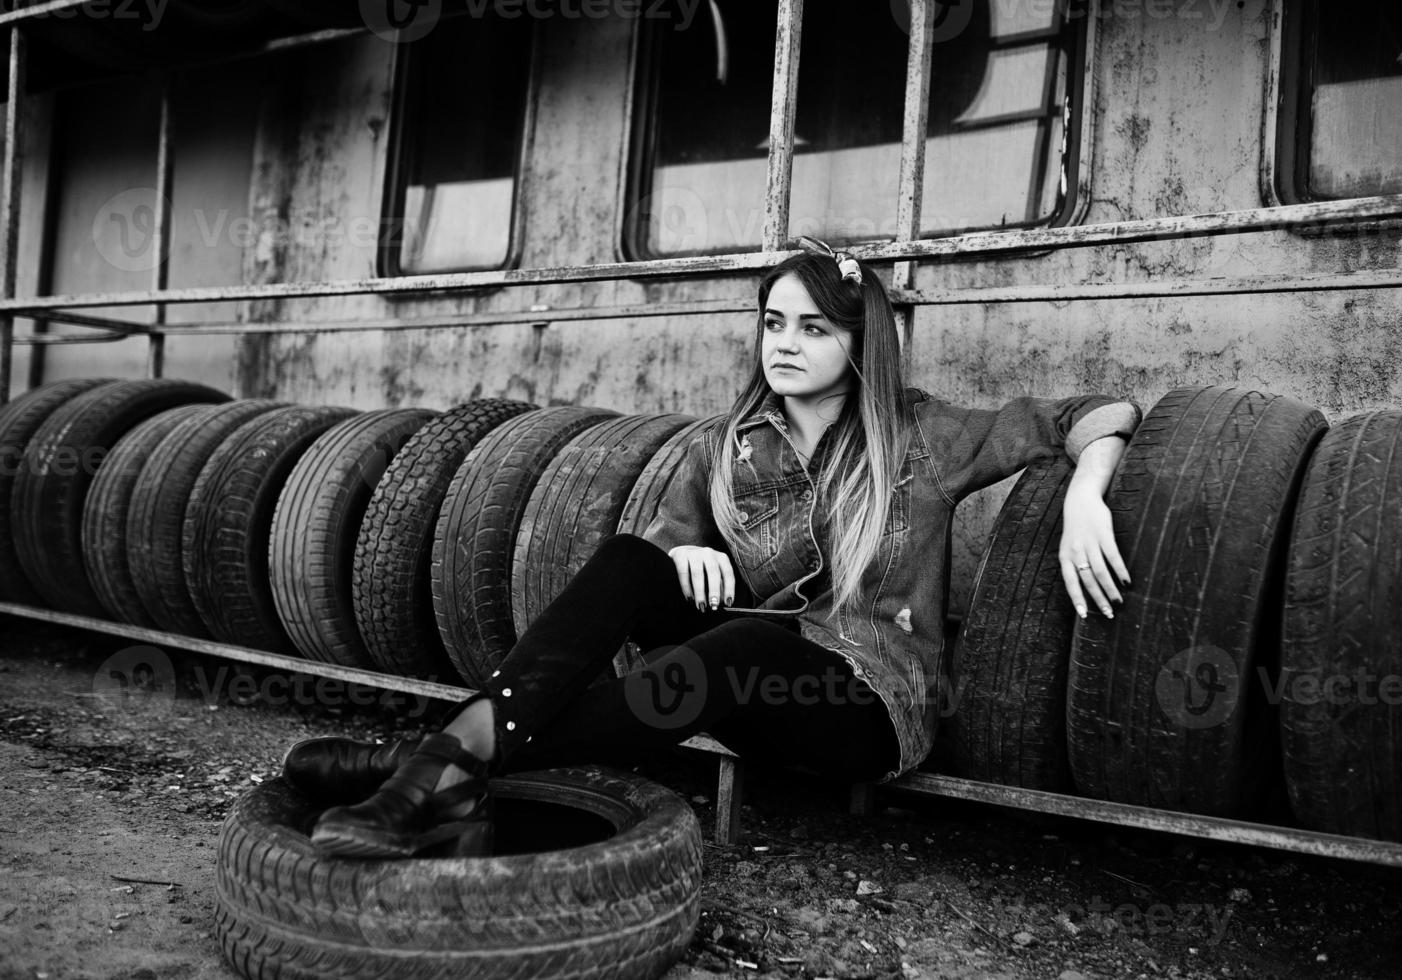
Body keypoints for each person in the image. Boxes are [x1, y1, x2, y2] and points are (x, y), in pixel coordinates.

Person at [290, 237, 1143, 858]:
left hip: (865, 707)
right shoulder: (723, 444)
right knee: (630, 563)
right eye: (774, 322)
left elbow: (1087, 410)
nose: (784, 342)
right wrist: (676, 547)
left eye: (813, 328)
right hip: (743, 674)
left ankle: (424, 763)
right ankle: (445, 773)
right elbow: (661, 544)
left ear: (858, 343)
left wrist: (1084, 493)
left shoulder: (923, 436)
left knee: (741, 645)